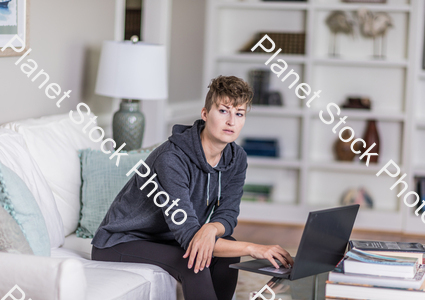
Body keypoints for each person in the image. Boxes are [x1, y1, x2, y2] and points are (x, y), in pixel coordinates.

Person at [91, 75, 294, 300]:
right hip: (123, 240)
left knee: (227, 251)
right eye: (223, 111)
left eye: (239, 113)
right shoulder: (171, 158)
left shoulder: (237, 158)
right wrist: (254, 248)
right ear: (205, 114)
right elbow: (188, 236)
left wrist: (211, 228)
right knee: (194, 262)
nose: (231, 122)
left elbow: (228, 213)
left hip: (166, 237)